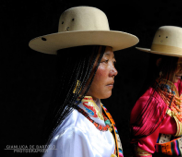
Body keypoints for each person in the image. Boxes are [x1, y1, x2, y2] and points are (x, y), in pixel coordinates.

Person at [29, 6, 139, 157]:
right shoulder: (74, 131)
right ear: (78, 67)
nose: (114, 71)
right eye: (105, 60)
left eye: (113, 61)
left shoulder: (97, 114)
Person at [130, 26, 182, 157]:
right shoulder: (152, 101)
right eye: (178, 64)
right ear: (160, 63)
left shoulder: (177, 89)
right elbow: (144, 150)